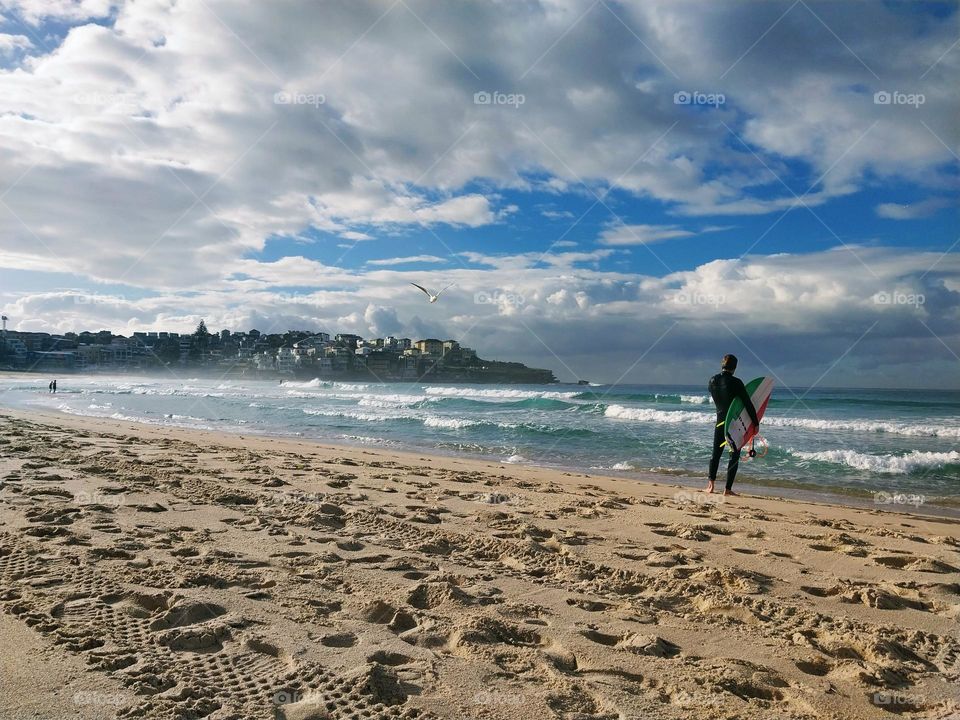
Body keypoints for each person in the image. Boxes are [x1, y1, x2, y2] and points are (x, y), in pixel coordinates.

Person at [706, 354, 758, 496]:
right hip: (733, 424)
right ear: (735, 367)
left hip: (720, 422)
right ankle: (727, 489)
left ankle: (710, 486)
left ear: (722, 364)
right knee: (733, 455)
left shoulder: (712, 381)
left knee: (715, 453)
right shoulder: (736, 382)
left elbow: (716, 396)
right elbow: (747, 404)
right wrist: (755, 423)